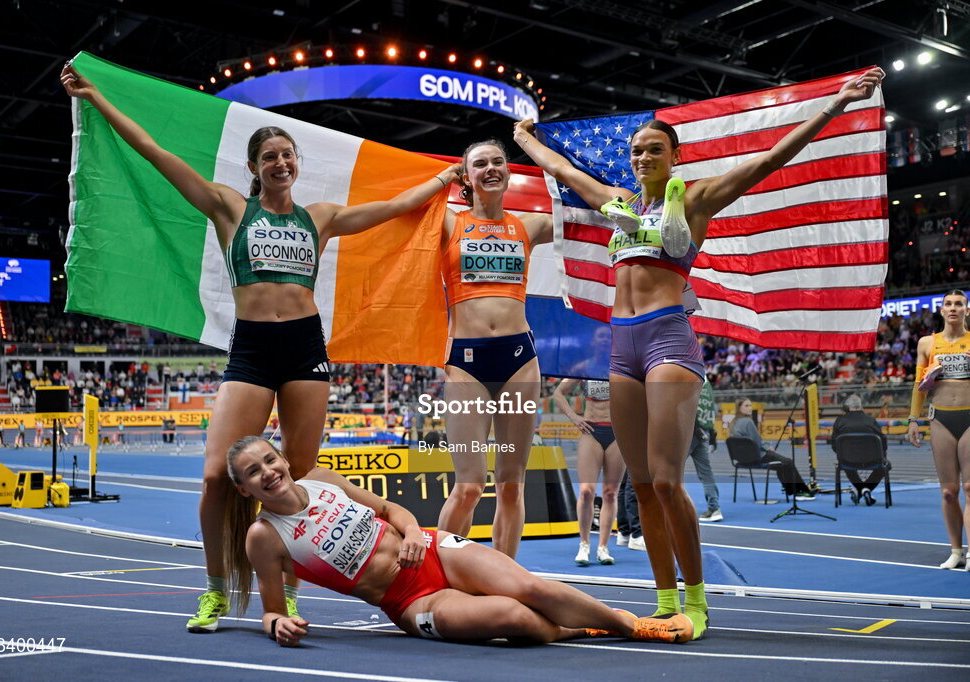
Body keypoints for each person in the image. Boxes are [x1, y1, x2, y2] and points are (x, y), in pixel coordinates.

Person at [61, 64, 459, 632]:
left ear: (296, 164)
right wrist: (97, 98)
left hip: (305, 349)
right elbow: (153, 150)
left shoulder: (319, 218)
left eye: (287, 155)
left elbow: (393, 210)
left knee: (295, 479)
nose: (280, 163)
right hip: (251, 348)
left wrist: (443, 182)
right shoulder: (229, 208)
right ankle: (217, 589)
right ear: (253, 168)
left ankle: (287, 592)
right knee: (214, 477)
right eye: (269, 156)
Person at [512, 66, 885, 639]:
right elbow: (560, 169)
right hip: (622, 346)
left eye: (654, 150)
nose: (642, 157)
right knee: (639, 484)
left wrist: (837, 104)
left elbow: (767, 162)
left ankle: (697, 599)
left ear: (674, 156)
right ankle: (664, 603)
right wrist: (524, 140)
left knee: (665, 482)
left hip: (667, 340)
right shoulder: (615, 202)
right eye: (636, 150)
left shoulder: (696, 198)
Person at [223, 435, 692, 646]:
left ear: (282, 458)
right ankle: (577, 629)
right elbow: (271, 610)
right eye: (253, 472)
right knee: (514, 618)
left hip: (433, 547)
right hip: (408, 600)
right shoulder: (263, 537)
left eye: (270, 460)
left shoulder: (324, 478)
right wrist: (275, 626)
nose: (268, 473)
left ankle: (635, 626)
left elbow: (390, 511)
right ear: (244, 489)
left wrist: (409, 531)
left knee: (533, 590)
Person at [433, 139, 553, 559]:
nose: (490, 168)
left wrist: (536, 147)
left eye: (498, 161)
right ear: (466, 176)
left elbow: (589, 212)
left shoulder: (530, 226)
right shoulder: (449, 222)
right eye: (479, 164)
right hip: (466, 361)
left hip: (520, 358)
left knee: (510, 484)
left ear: (509, 171)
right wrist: (441, 178)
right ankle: (436, 575)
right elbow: (402, 208)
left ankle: (503, 580)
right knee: (468, 485)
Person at [907, 290, 970, 570]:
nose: (953, 308)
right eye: (949, 304)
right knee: (948, 491)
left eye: (959, 304)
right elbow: (918, 386)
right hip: (941, 418)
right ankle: (956, 551)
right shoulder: (926, 343)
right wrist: (913, 419)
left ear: (967, 310)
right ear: (942, 310)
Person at [553, 379, 626, 566]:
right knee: (586, 491)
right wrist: (574, 417)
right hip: (591, 431)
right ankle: (584, 544)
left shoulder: (622, 362)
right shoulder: (586, 367)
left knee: (610, 494)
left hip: (618, 433)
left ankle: (603, 547)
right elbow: (558, 393)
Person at [730, 398, 815, 499]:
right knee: (788, 462)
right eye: (746, 406)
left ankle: (792, 490)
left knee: (781, 465)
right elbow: (757, 441)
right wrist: (768, 448)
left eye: (750, 405)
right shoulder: (748, 421)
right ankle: (802, 491)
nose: (750, 408)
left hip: (743, 459)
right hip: (756, 457)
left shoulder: (734, 423)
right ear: (739, 408)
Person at [828, 394, 890, 506]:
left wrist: (843, 454)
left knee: (845, 462)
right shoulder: (871, 420)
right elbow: (883, 441)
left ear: (847, 407)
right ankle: (866, 490)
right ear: (861, 406)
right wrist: (883, 456)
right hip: (873, 460)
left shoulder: (839, 421)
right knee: (886, 465)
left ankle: (860, 490)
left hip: (848, 460)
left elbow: (834, 444)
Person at [691, 378, 722, 522]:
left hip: (690, 431)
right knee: (706, 473)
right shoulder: (707, 383)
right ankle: (714, 508)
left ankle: (667, 510)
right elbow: (710, 409)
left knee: (671, 471)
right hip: (704, 431)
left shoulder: (689, 375)